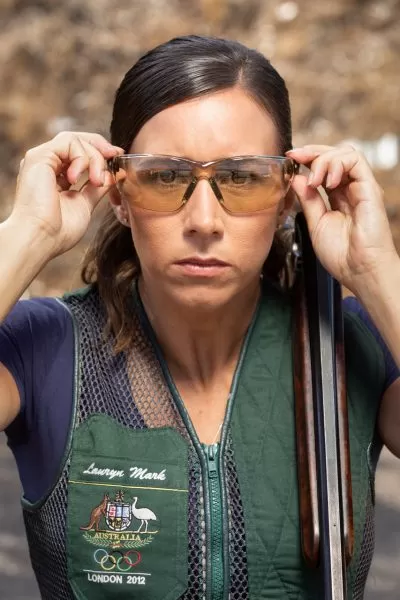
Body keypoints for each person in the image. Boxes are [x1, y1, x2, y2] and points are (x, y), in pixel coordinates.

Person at [0, 34, 399, 600]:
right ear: (119, 195)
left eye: (243, 177)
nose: (204, 221)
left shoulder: (351, 344)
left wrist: (376, 269)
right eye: (165, 176)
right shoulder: (44, 347)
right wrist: (28, 233)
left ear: (286, 196)